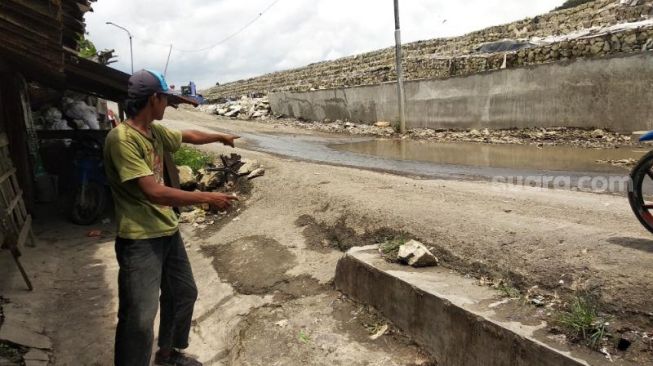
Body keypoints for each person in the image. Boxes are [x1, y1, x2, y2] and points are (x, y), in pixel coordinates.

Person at [104, 69, 239, 366]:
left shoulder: (153, 131)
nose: (167, 105)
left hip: (167, 231)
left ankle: (167, 355)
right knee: (139, 317)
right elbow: (154, 192)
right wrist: (208, 197)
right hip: (139, 239)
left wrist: (220, 135)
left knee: (183, 294)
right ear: (154, 98)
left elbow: (187, 135)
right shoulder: (122, 139)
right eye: (166, 99)